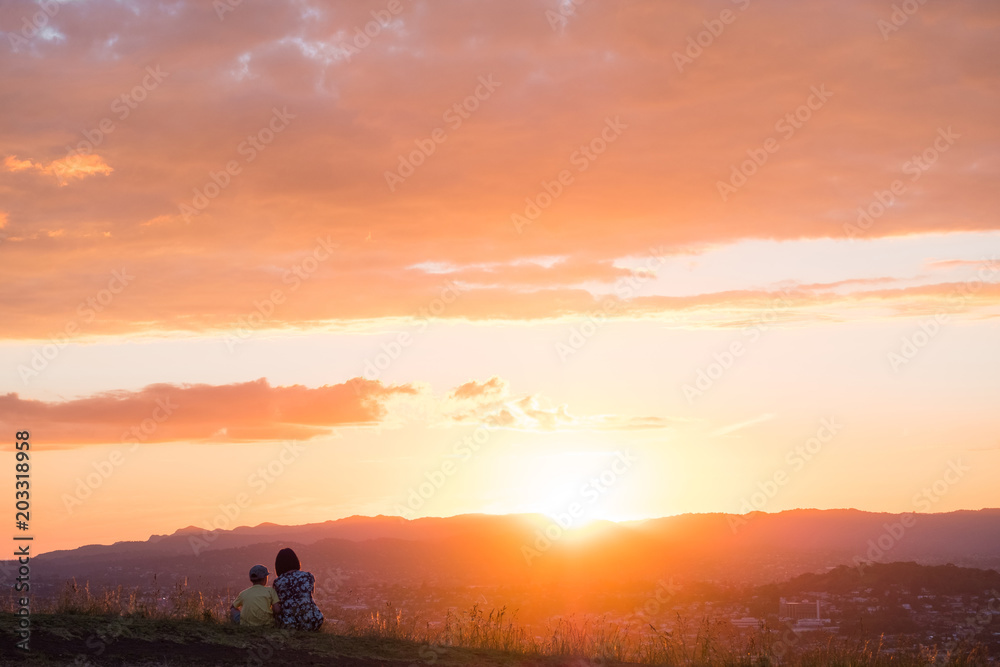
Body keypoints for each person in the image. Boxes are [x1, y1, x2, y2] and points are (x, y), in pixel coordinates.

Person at [272, 548, 324, 631]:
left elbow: (277, 603)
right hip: (313, 620)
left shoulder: (278, 582)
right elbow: (310, 594)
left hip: (288, 623)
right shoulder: (308, 576)